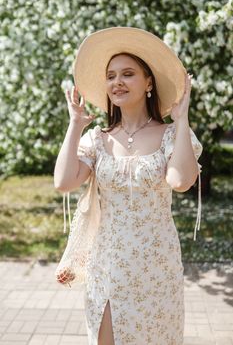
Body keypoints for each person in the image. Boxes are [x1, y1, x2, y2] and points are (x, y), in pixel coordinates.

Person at [54, 27, 203, 345]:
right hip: (106, 265)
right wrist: (74, 124)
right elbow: (63, 182)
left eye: (128, 74)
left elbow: (180, 181)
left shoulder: (171, 135)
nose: (116, 82)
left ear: (149, 82)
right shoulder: (98, 138)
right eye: (110, 75)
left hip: (156, 268)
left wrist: (183, 119)